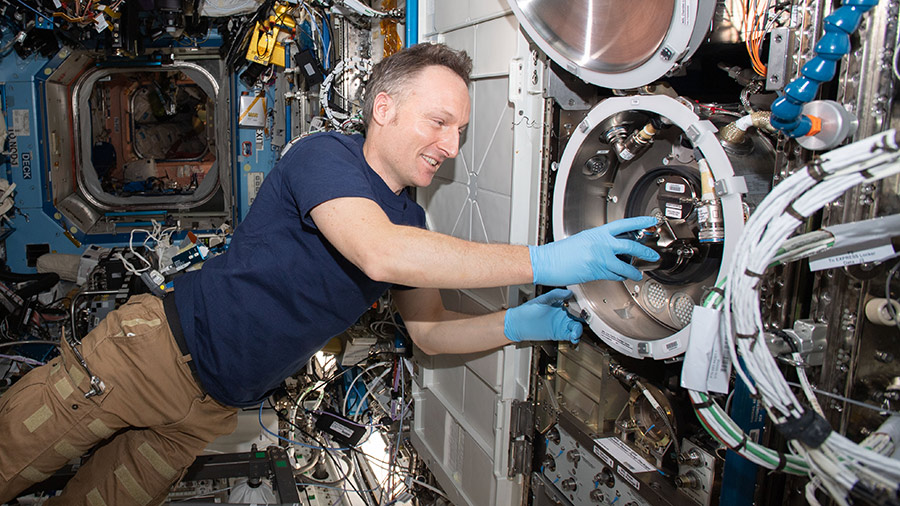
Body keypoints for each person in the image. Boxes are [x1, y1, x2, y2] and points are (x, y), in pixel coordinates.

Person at [0, 43, 658, 505]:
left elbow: (429, 336)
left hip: (208, 409)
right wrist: (541, 261)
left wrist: (517, 323)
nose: (452, 146)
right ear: (384, 108)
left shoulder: (411, 226)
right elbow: (376, 253)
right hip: (151, 357)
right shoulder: (325, 158)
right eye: (440, 122)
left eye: (461, 129)